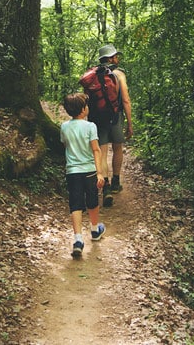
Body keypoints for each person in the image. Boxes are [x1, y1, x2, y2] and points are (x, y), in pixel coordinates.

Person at [59, 92, 106, 257]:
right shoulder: (90, 126)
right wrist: (100, 173)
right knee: (92, 201)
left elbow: (65, 144)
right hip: (89, 171)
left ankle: (78, 239)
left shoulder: (64, 127)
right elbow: (96, 149)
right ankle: (94, 230)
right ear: (83, 109)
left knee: (76, 204)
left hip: (72, 172)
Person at [90, 44, 134, 207]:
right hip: (115, 117)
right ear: (110, 58)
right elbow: (126, 100)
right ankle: (116, 182)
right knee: (117, 148)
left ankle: (105, 187)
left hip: (97, 117)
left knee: (101, 152)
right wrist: (129, 123)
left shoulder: (93, 74)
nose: (117, 58)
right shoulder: (119, 74)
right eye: (115, 56)